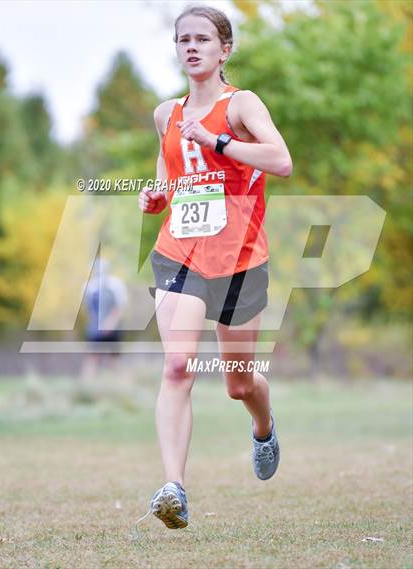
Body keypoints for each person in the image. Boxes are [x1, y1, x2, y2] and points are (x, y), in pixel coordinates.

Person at [135, 4, 292, 533]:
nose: (192, 47)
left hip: (240, 258)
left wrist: (220, 141)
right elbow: (169, 175)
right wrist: (157, 195)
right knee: (178, 365)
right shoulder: (167, 114)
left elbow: (281, 160)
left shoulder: (241, 103)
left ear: (225, 50)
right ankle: (173, 488)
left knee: (238, 383)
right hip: (180, 250)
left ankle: (264, 426)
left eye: (203, 39)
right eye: (184, 40)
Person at [82, 258, 128, 378]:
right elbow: (89, 310)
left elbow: (120, 307)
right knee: (93, 358)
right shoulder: (89, 287)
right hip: (95, 328)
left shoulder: (116, 285)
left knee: (114, 359)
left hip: (113, 328)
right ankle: (87, 390)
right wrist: (97, 325)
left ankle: (121, 388)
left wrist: (110, 324)